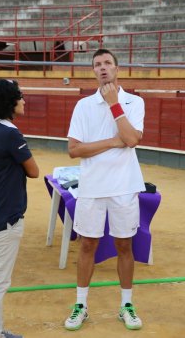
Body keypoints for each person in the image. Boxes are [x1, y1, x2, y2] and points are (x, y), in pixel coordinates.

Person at [64, 48, 145, 331]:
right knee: (88, 244)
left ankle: (126, 305)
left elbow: (132, 139)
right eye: (97, 64)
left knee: (125, 245)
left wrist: (114, 105)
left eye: (107, 63)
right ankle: (81, 305)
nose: (102, 68)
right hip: (92, 187)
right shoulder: (83, 106)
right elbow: (74, 150)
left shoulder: (134, 102)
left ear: (117, 68)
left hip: (124, 187)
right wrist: (112, 142)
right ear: (93, 70)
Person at [0, 79, 39, 338]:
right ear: (8, 101)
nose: (23, 100)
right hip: (3, 216)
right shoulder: (10, 134)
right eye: (19, 96)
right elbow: (34, 171)